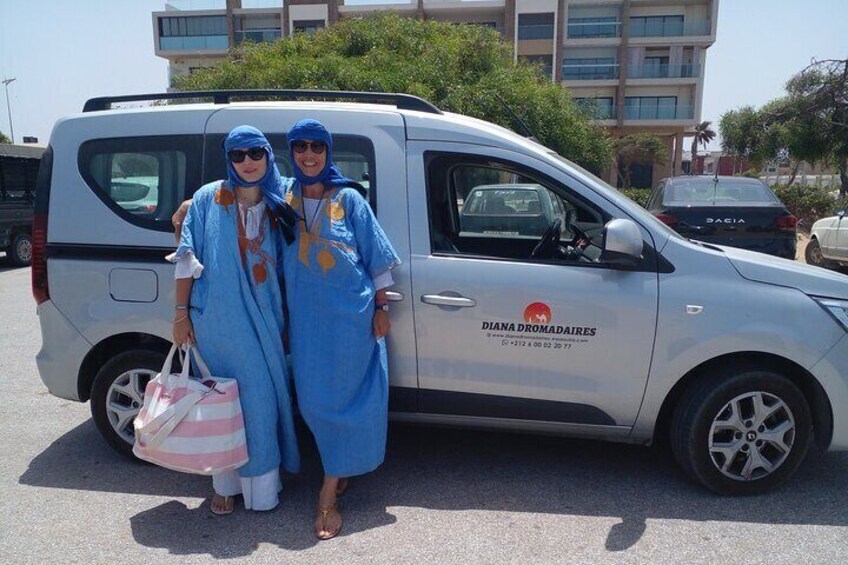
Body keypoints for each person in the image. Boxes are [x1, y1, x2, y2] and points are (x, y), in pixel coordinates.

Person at [169, 125, 300, 516]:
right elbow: (186, 259)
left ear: (267, 155)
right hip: (218, 324)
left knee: (260, 403)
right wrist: (180, 314)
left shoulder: (282, 201)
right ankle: (224, 484)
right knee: (221, 401)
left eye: (255, 153)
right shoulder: (209, 198)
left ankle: (262, 487)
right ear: (229, 159)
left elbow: (319, 185)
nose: (247, 162)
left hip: (267, 325)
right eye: (238, 155)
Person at [282, 119, 400, 540]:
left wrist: (382, 307)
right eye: (300, 148)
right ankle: (339, 467)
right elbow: (238, 188)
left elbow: (377, 258)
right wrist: (188, 205)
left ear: (328, 152)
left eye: (316, 147)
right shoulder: (285, 196)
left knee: (353, 400)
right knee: (314, 404)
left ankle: (328, 492)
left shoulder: (348, 199)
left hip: (352, 320)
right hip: (308, 325)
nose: (308, 155)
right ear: (292, 153)